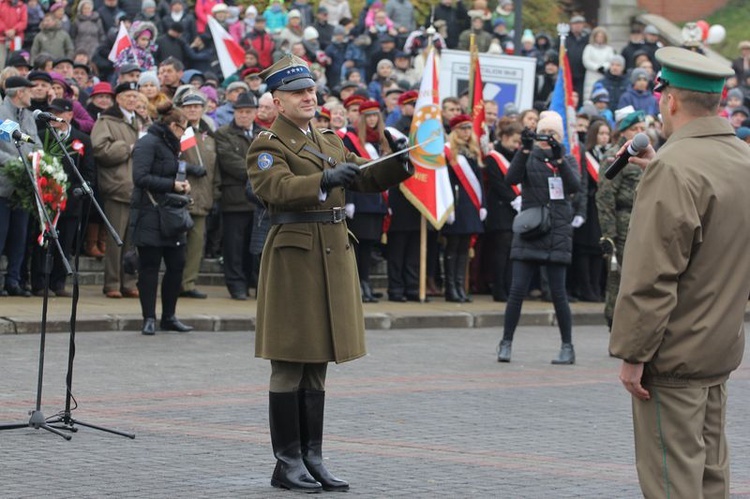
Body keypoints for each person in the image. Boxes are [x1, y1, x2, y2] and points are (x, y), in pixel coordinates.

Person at [246, 54, 413, 493]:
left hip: (331, 254)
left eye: (311, 91)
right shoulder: (267, 144)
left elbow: (361, 175)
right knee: (290, 361)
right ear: (277, 102)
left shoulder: (327, 138)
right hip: (295, 259)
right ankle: (287, 462)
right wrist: (323, 179)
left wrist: (401, 161)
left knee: (317, 362)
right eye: (298, 93)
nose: (308, 98)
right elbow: (276, 190)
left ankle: (312, 456)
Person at [609, 47, 748, 498]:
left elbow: (651, 276)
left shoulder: (673, 168)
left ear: (668, 99)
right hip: (718, 349)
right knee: (710, 480)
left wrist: (633, 352)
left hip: (672, 357)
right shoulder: (742, 161)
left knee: (672, 485)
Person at [496, 111, 580, 364]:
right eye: (545, 133)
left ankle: (568, 346)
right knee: (517, 290)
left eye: (553, 134)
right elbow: (510, 179)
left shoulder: (567, 159)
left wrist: (559, 158)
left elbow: (575, 186)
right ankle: (506, 342)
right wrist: (523, 150)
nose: (547, 138)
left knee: (558, 293)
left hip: (557, 231)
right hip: (531, 230)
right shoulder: (529, 157)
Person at [130, 102, 194, 335]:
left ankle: (169, 316)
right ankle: (149, 317)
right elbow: (140, 177)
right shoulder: (148, 142)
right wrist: (172, 184)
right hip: (149, 212)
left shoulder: (171, 144)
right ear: (172, 125)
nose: (184, 133)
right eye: (183, 128)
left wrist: (182, 185)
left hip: (170, 214)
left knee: (177, 265)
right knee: (149, 267)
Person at [91, 81, 143, 299]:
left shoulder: (139, 121)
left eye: (135, 96)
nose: (132, 100)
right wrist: (128, 148)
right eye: (128, 96)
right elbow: (100, 150)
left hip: (138, 187)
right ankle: (112, 283)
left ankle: (129, 282)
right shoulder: (106, 120)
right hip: (117, 187)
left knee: (133, 241)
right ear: (118, 98)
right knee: (115, 240)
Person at [595, 109, 645, 329]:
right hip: (623, 223)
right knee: (619, 276)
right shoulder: (616, 158)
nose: (640, 133)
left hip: (644, 222)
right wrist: (609, 234)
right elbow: (605, 198)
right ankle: (614, 321)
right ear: (623, 132)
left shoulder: (649, 156)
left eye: (642, 129)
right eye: (635, 129)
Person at [340, 99, 390, 303]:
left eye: (375, 116)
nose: (372, 120)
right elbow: (349, 170)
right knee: (358, 246)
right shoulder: (351, 138)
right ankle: (358, 284)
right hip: (359, 201)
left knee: (369, 246)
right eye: (368, 116)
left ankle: (366, 282)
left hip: (375, 202)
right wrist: (349, 200)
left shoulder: (381, 140)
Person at [214, 91, 261, 300]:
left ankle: (253, 281)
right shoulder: (224, 133)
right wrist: (259, 172)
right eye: (240, 112)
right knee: (233, 247)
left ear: (255, 113)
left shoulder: (262, 134)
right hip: (234, 199)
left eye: (248, 112)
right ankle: (236, 284)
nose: (243, 115)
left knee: (254, 247)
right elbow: (229, 162)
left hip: (258, 201)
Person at [0, 77, 41, 297]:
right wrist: (14, 163)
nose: (32, 95)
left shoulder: (28, 116)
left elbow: (36, 144)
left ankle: (13, 281)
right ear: (19, 93)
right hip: (3, 185)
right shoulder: (1, 114)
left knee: (20, 237)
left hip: (24, 187)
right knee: (1, 235)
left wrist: (38, 159)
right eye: (29, 91)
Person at [174, 89, 217, 299]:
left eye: (197, 106)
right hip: (180, 196)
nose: (193, 109)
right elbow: (171, 158)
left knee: (196, 245)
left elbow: (215, 168)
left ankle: (188, 283)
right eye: (189, 106)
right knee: (175, 243)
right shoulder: (178, 131)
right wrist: (188, 169)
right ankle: (172, 281)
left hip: (203, 197)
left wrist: (215, 193)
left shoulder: (208, 135)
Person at [442, 114, 486, 302]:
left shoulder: (472, 151)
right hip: (456, 204)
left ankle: (460, 286)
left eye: (468, 128)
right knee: (452, 247)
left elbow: (479, 182)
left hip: (470, 205)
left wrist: (482, 204)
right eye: (462, 128)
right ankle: (450, 288)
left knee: (463, 248)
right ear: (454, 131)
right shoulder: (448, 152)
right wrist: (447, 206)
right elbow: (445, 182)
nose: (466, 132)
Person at [484, 117, 522, 302]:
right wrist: (513, 199)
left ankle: (508, 286)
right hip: (500, 210)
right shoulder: (494, 157)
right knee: (500, 252)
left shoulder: (516, 155)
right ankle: (498, 288)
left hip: (515, 211)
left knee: (511, 254)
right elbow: (498, 183)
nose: (516, 145)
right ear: (505, 137)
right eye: (514, 141)